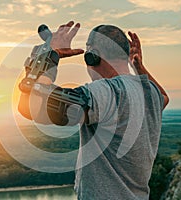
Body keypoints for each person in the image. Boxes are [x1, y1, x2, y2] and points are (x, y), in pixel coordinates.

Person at [18, 21, 169, 200]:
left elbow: (33, 109)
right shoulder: (148, 90)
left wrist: (50, 55)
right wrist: (138, 66)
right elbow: (163, 98)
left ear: (92, 55)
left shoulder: (107, 91)